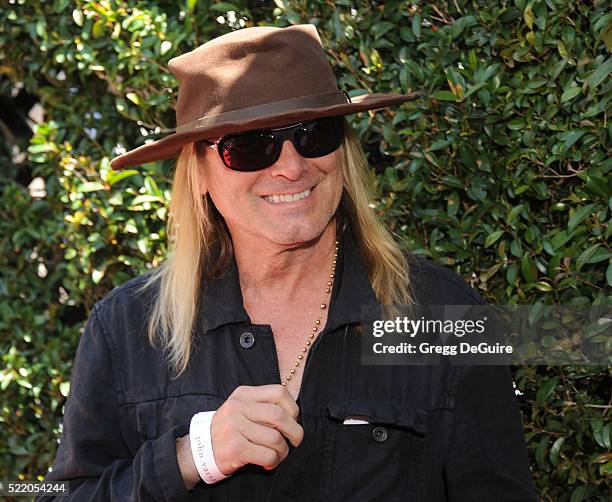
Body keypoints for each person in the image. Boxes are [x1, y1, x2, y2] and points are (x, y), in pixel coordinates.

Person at [38, 24, 537, 501]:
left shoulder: (442, 314)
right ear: (201, 173)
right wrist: (194, 456)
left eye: (315, 133)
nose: (292, 166)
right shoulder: (126, 330)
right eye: (250, 145)